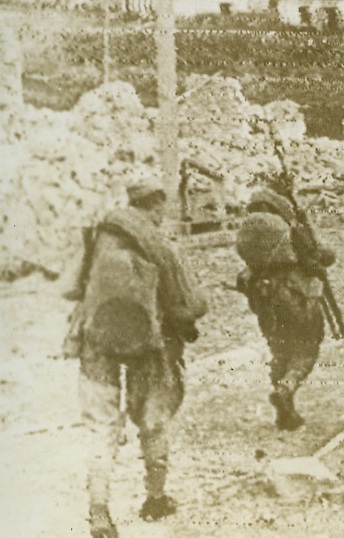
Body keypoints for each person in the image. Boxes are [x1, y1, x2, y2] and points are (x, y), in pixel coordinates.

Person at [62, 180, 208, 538]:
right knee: (153, 419)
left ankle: (99, 513)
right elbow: (189, 305)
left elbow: (68, 288)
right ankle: (155, 499)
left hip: (95, 339)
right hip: (148, 343)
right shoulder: (160, 245)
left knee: (100, 428)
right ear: (156, 207)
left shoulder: (97, 236)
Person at [234, 186, 337, 431]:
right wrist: (307, 225)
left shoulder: (247, 229)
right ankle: (287, 387)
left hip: (262, 295)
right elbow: (324, 256)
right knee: (306, 345)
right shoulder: (289, 230)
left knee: (279, 349)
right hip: (294, 293)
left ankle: (285, 410)